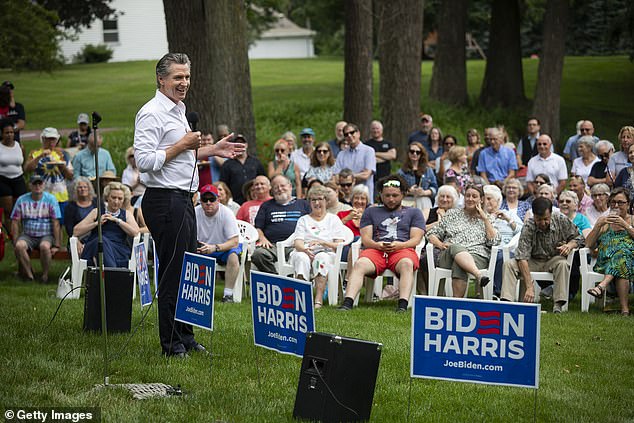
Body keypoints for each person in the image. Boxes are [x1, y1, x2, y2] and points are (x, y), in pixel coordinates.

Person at [134, 52, 244, 358]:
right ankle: (171, 344)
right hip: (164, 200)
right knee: (173, 272)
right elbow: (144, 162)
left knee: (188, 270)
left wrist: (212, 149)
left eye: (187, 77)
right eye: (178, 77)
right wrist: (182, 144)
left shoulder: (178, 109)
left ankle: (186, 335)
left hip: (183, 198)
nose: (184, 83)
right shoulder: (151, 113)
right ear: (161, 79)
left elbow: (182, 156)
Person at [339, 175, 426, 312]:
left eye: (395, 195)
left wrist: (400, 245)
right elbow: (366, 238)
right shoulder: (371, 212)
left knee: (407, 264)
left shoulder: (414, 212)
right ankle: (347, 303)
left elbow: (416, 239)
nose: (391, 199)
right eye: (387, 196)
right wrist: (376, 245)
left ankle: (402, 305)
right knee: (360, 264)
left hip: (402, 249)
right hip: (376, 249)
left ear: (403, 194)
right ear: (381, 195)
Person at [500, 197, 583, 312]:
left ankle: (558, 304)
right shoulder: (529, 225)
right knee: (509, 264)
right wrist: (530, 287)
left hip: (553, 259)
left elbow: (579, 237)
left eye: (546, 219)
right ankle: (506, 303)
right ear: (533, 215)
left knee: (563, 264)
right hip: (533, 260)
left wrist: (569, 245)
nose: (543, 223)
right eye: (539, 219)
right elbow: (522, 257)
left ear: (551, 213)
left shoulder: (561, 220)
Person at [426, 184, 499, 298]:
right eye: (467, 195)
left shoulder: (488, 218)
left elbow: (494, 241)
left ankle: (456, 304)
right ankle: (478, 275)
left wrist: (485, 219)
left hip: (477, 256)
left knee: (458, 263)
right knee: (455, 247)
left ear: (481, 199)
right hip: (448, 255)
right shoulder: (452, 214)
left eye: (474, 196)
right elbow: (431, 234)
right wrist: (440, 244)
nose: (470, 199)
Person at [290, 185, 346, 308]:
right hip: (305, 251)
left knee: (322, 258)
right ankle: (302, 298)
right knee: (301, 257)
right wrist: (305, 249)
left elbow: (339, 244)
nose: (316, 203)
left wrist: (322, 243)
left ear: (326, 201)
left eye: (320, 199)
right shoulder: (303, 220)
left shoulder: (333, 219)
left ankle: (318, 299)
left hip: (326, 252)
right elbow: (298, 242)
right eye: (313, 200)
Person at [585, 188, 634, 315]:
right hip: (605, 261)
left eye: (620, 202)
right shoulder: (605, 222)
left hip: (630, 262)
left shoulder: (632, 220)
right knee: (621, 258)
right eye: (613, 202)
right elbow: (588, 244)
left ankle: (601, 286)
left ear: (628, 204)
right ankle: (624, 309)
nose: (616, 205)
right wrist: (597, 226)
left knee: (622, 255)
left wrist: (625, 226)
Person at [251, 175, 311, 274]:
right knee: (258, 254)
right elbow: (258, 227)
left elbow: (312, 223)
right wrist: (262, 238)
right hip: (272, 245)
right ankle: (276, 279)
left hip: (296, 245)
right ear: (272, 191)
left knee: (302, 257)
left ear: (290, 186)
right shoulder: (266, 206)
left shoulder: (303, 204)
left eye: (282, 185)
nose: (280, 189)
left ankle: (292, 281)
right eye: (276, 187)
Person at [195, 184, 242, 303]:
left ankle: (228, 295)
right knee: (190, 254)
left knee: (233, 257)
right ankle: (198, 293)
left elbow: (235, 241)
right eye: (205, 200)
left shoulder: (226, 213)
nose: (208, 202)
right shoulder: (195, 212)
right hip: (203, 248)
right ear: (200, 201)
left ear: (218, 200)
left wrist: (215, 248)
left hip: (224, 247)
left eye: (212, 199)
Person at [74, 182, 140, 268]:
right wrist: (96, 224)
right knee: (102, 241)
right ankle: (111, 276)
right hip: (95, 245)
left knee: (105, 245)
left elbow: (136, 232)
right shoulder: (97, 212)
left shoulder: (126, 214)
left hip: (117, 249)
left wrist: (117, 221)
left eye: (120, 198)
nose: (116, 201)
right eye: (113, 197)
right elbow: (76, 231)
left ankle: (106, 273)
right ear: (107, 198)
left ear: (124, 200)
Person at [10, 175, 61, 282]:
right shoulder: (22, 200)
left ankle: (45, 275)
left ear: (43, 185)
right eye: (34, 184)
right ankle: (30, 275)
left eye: (40, 183)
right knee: (19, 246)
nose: (37, 186)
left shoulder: (51, 199)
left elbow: (56, 222)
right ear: (30, 186)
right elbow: (15, 221)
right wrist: (15, 241)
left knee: (44, 246)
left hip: (46, 234)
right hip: (28, 235)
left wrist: (56, 244)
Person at [24, 127, 73, 219]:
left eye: (53, 139)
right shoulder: (35, 153)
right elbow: (27, 169)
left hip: (60, 195)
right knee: (44, 223)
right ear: (43, 139)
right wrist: (40, 157)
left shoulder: (62, 154)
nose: (51, 142)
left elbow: (70, 176)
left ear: (57, 140)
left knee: (59, 224)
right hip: (41, 195)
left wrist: (62, 167)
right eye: (48, 139)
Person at [483, 185, 523, 298]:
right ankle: (497, 292)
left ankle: (496, 291)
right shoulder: (481, 216)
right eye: (484, 198)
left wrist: (508, 220)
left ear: (498, 200)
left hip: (506, 249)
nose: (486, 201)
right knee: (498, 255)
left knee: (503, 256)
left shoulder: (508, 214)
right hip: (487, 249)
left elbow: (522, 231)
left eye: (489, 198)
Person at [333, 123, 377, 202]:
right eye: (346, 134)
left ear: (358, 133)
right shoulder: (341, 154)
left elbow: (366, 175)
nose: (349, 135)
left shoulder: (369, 151)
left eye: (352, 132)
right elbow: (336, 177)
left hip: (364, 198)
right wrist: (358, 175)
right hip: (346, 200)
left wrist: (346, 177)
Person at [219, 134, 265, 205]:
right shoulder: (227, 164)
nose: (240, 146)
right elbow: (223, 185)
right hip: (235, 201)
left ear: (246, 145)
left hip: (255, 199)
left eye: (242, 143)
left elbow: (263, 178)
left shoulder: (256, 162)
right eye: (237, 144)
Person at [337, 184, 370, 275]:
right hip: (345, 249)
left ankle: (348, 280)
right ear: (351, 200)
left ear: (367, 201)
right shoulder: (342, 214)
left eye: (363, 198)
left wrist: (364, 219)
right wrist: (348, 218)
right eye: (356, 198)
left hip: (364, 249)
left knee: (357, 241)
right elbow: (333, 230)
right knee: (350, 244)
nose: (359, 201)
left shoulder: (370, 217)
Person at [397, 142, 437, 212]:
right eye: (412, 151)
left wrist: (423, 192)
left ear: (421, 154)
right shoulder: (401, 172)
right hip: (407, 201)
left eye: (418, 152)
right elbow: (397, 189)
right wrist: (409, 191)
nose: (414, 154)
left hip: (424, 200)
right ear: (408, 153)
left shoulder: (428, 170)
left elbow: (434, 188)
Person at [0, 119, 26, 225]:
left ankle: (20, 233)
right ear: (1, 133)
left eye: (11, 132)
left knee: (21, 210)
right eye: (7, 133)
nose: (10, 135)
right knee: (8, 211)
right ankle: (10, 236)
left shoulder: (19, 146)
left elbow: (22, 162)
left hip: (18, 179)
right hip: (3, 180)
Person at [63, 177, 97, 249]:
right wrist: (76, 241)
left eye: (85, 187)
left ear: (89, 189)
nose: (83, 189)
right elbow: (69, 228)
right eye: (80, 187)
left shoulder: (97, 203)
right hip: (77, 237)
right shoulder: (70, 207)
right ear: (75, 190)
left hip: (95, 237)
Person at [615, 143, 634, 207]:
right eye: (630, 152)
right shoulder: (623, 172)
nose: (632, 154)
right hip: (626, 208)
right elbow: (616, 190)